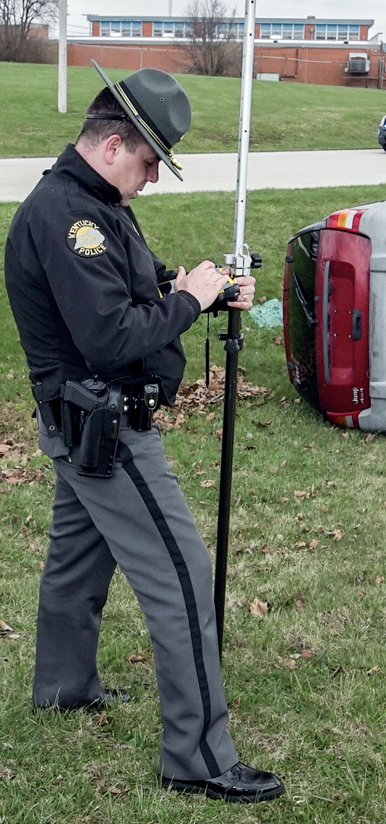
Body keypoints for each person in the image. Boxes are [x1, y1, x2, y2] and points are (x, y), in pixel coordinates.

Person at [3, 63, 284, 803]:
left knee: (75, 561)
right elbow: (110, 335)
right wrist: (189, 301)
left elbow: (139, 282)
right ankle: (198, 758)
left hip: (80, 426)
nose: (153, 177)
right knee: (184, 579)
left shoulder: (95, 201)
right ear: (112, 145)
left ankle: (63, 687)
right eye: (150, 161)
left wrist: (207, 286)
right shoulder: (70, 219)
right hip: (107, 427)